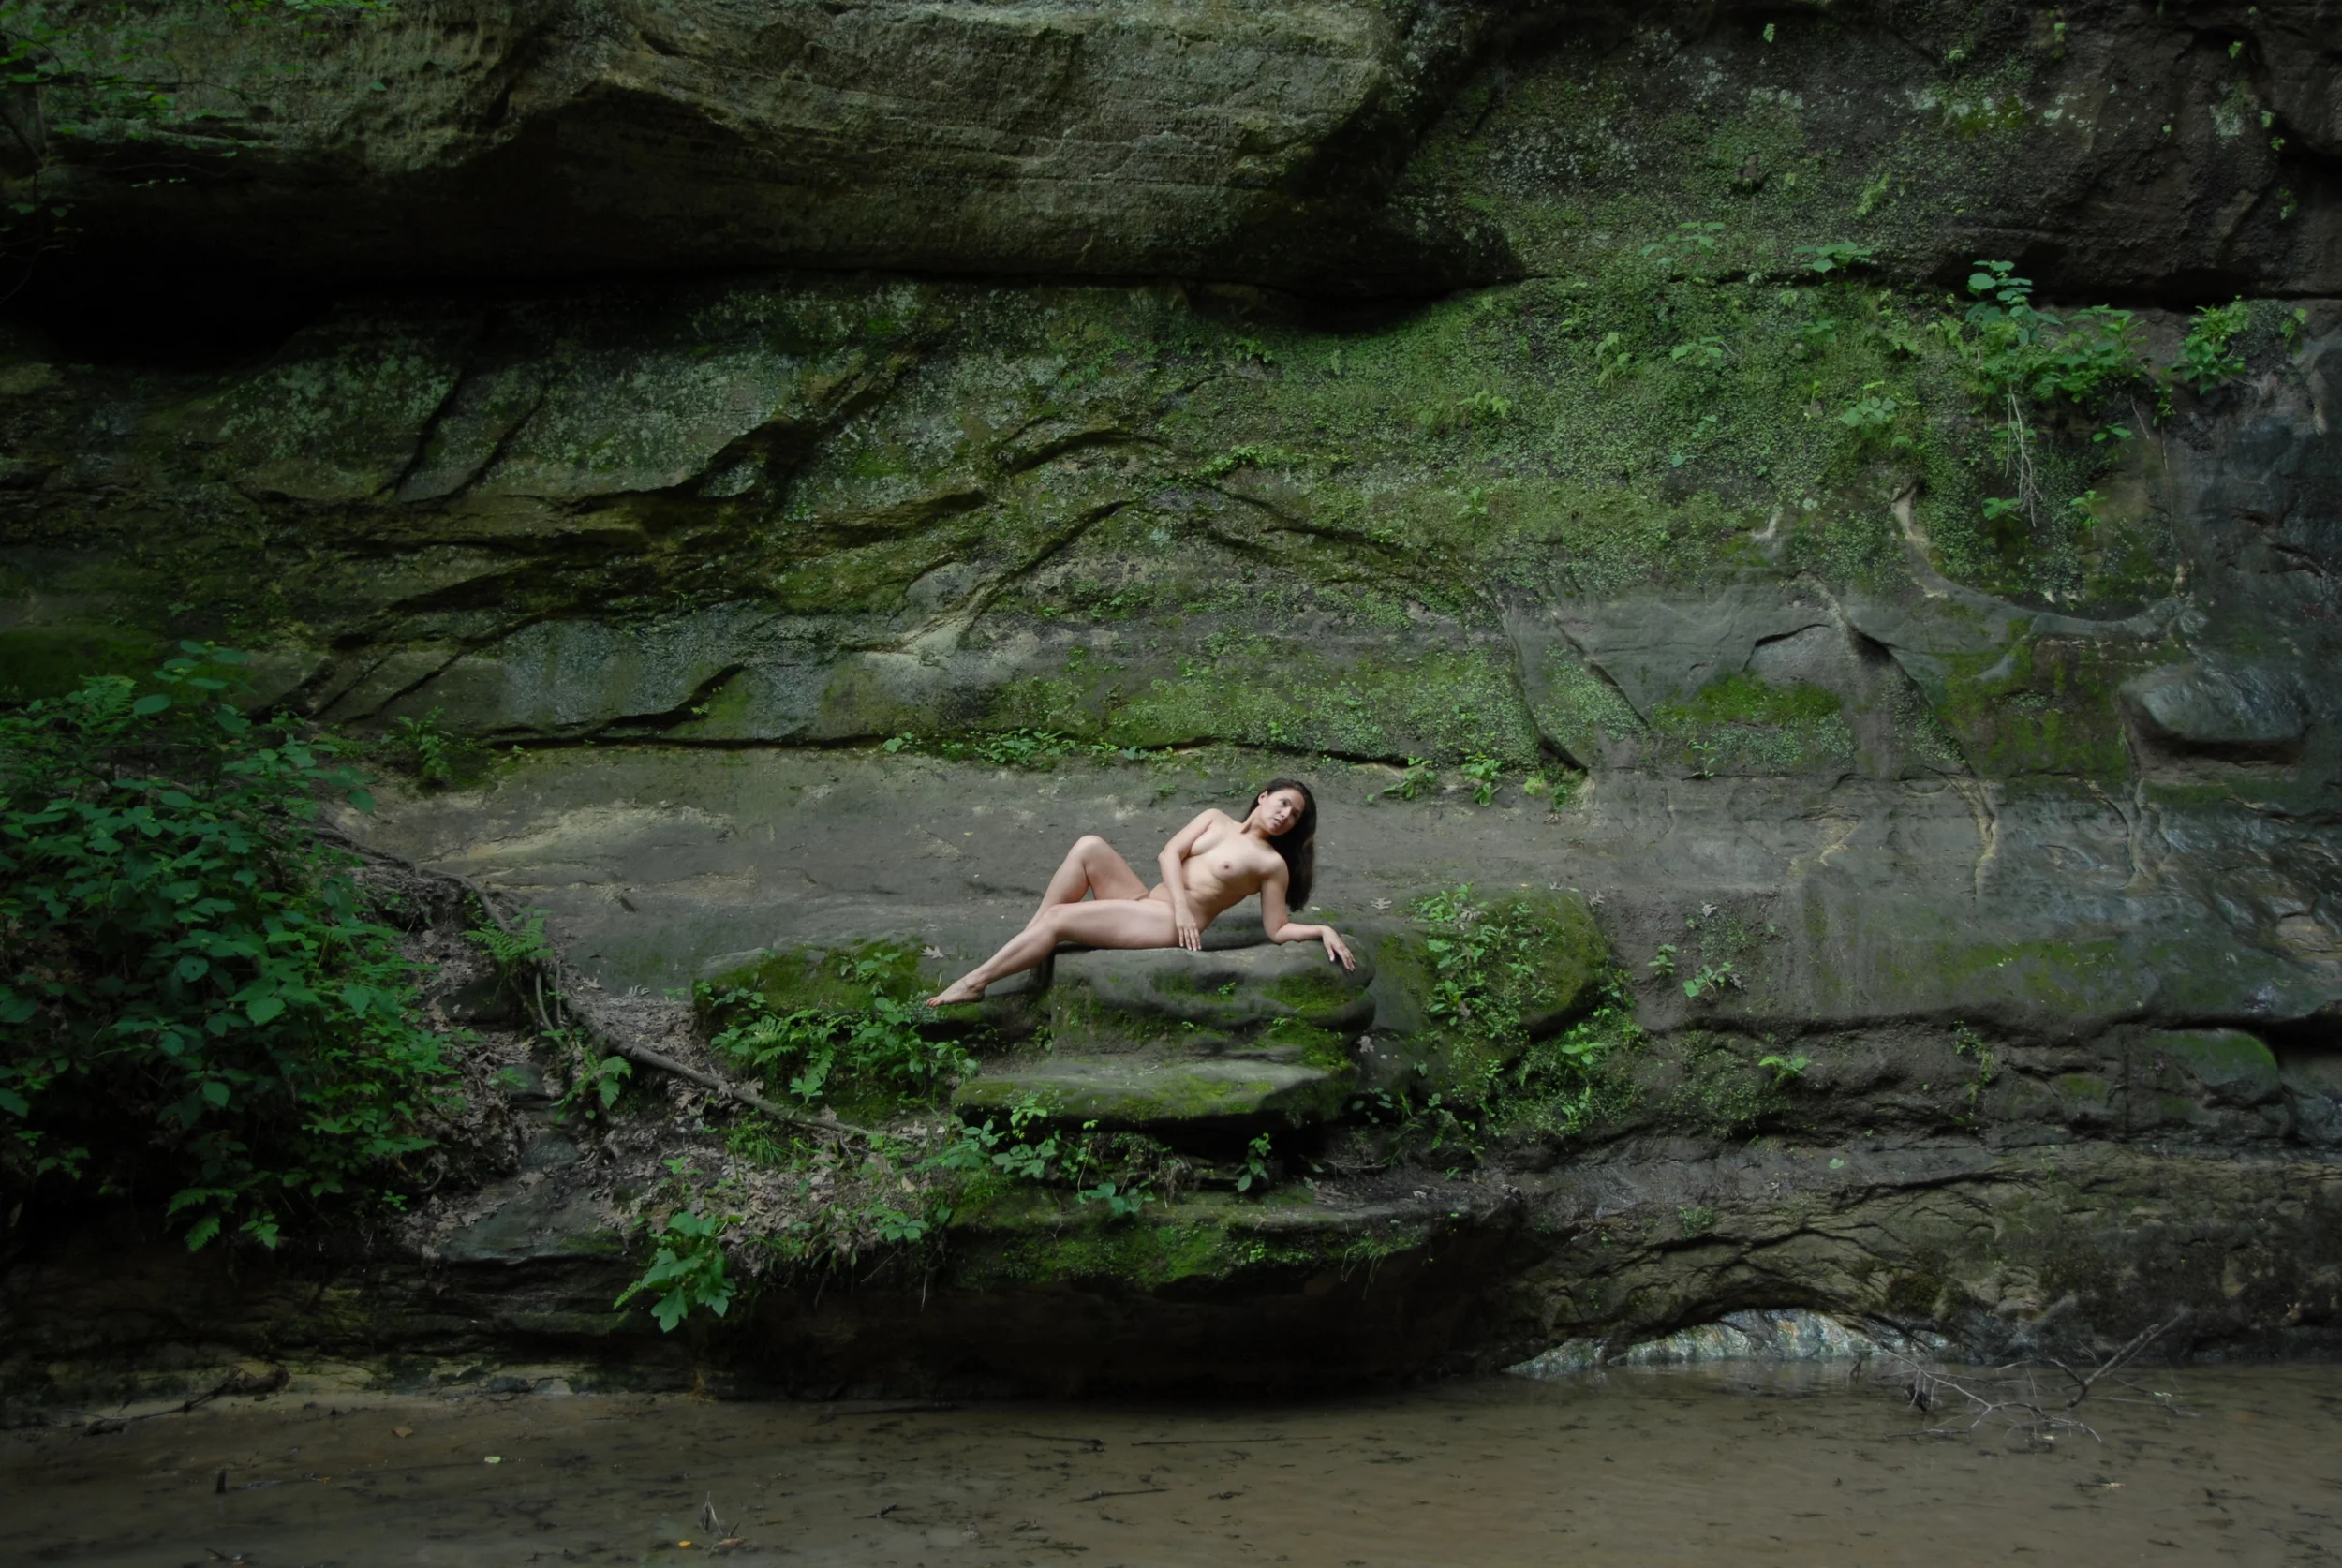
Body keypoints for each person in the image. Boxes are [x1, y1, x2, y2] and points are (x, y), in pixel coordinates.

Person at [924, 777, 1356, 1006]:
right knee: (1089, 846)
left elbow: (1277, 929)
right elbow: (1169, 853)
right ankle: (1031, 941)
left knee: (1059, 921)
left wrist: (1320, 929)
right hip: (1152, 903)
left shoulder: (1270, 864)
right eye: (1282, 803)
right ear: (1263, 797)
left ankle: (975, 982)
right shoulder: (1214, 818)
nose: (1285, 815)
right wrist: (1182, 905)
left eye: (1295, 815)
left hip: (1166, 925)